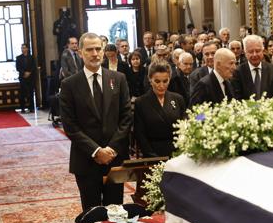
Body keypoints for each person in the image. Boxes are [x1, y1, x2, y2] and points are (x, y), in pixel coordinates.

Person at [59, 32, 132, 211]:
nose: (95, 53)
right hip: (86, 160)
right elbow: (70, 125)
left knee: (116, 213)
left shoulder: (118, 79)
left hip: (115, 160)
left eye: (98, 49)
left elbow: (126, 117)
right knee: (92, 216)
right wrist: (96, 151)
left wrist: (112, 149)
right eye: (90, 49)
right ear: (80, 52)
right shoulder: (69, 84)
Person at [134, 61, 186, 157]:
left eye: (165, 81)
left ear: (169, 79)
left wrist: (181, 150)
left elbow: (184, 127)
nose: (161, 85)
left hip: (177, 152)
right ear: (150, 79)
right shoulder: (141, 102)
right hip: (153, 154)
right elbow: (140, 134)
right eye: (157, 81)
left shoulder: (178, 99)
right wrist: (152, 156)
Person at [231, 35, 273, 100]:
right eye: (251, 51)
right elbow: (237, 98)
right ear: (245, 52)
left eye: (258, 51)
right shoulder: (238, 72)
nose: (255, 54)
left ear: (263, 51)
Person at [16, 43, 36, 113]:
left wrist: (29, 73)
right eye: (22, 48)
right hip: (22, 77)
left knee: (30, 92)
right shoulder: (18, 58)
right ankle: (22, 108)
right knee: (22, 93)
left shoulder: (32, 57)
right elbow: (18, 68)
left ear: (27, 49)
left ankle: (31, 108)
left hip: (30, 77)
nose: (23, 49)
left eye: (24, 48)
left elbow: (34, 67)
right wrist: (24, 73)